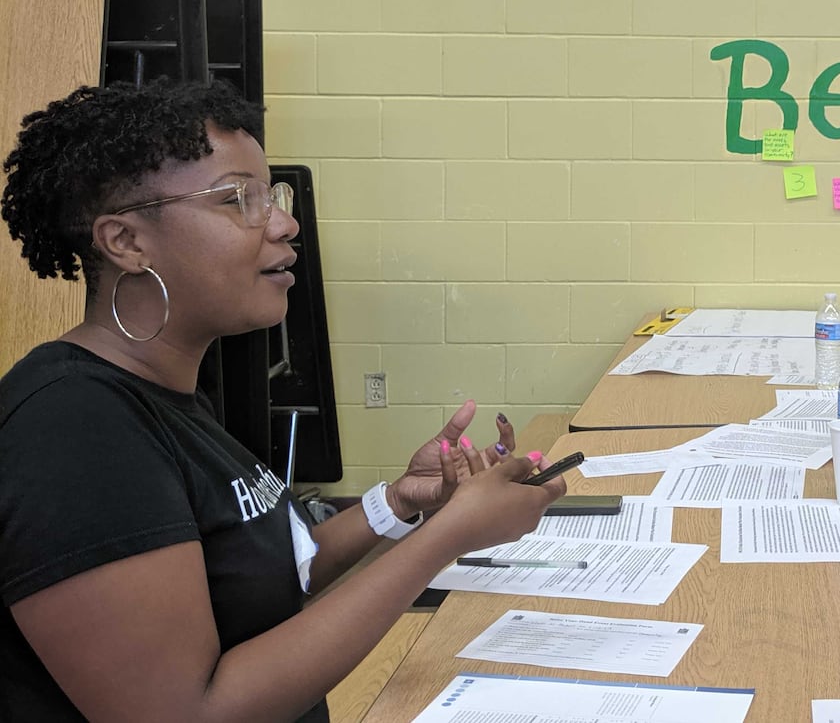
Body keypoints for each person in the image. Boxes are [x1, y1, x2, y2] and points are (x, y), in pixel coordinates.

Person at [0, 80, 566, 722]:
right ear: (127, 242)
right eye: (237, 199)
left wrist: (400, 502)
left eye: (273, 196)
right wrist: (448, 537)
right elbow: (187, 714)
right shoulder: (73, 429)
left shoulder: (168, 393)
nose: (284, 224)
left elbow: (259, 579)